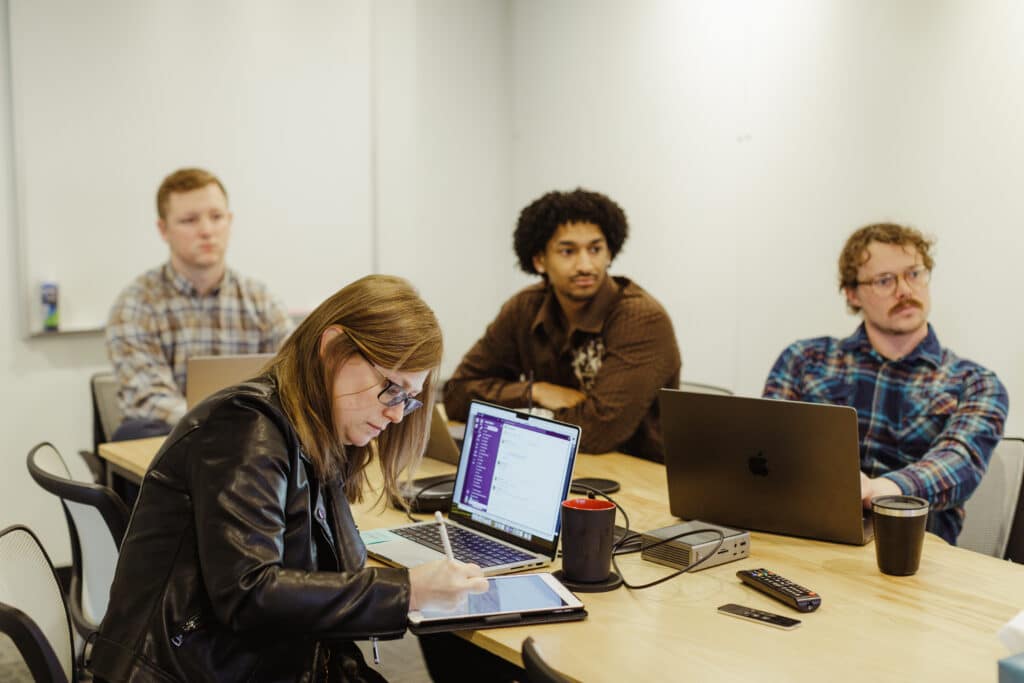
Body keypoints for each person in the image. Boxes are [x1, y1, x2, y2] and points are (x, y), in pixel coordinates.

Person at [88, 275, 489, 683]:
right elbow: (250, 594)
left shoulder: (315, 431)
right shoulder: (246, 427)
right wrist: (409, 590)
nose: (397, 415)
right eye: (391, 389)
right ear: (333, 347)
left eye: (409, 398)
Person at [763, 223, 1008, 544]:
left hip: (910, 551)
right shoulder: (804, 360)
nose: (905, 290)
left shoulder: (975, 383)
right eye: (884, 280)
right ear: (852, 293)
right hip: (807, 538)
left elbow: (961, 462)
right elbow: (770, 448)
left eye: (914, 274)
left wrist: (876, 491)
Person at [444, 188, 681, 461]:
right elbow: (456, 396)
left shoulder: (640, 318)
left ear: (609, 252)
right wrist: (536, 392)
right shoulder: (524, 308)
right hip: (554, 463)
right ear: (539, 260)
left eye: (595, 249)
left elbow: (596, 432)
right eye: (568, 251)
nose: (585, 265)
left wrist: (510, 411)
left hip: (640, 474)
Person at [105, 167, 293, 440]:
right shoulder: (135, 306)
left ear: (229, 221)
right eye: (189, 220)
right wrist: (221, 424)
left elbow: (293, 374)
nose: (206, 230)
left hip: (253, 442)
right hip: (176, 446)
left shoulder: (261, 300)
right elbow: (150, 400)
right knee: (136, 430)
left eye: (216, 217)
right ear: (163, 229)